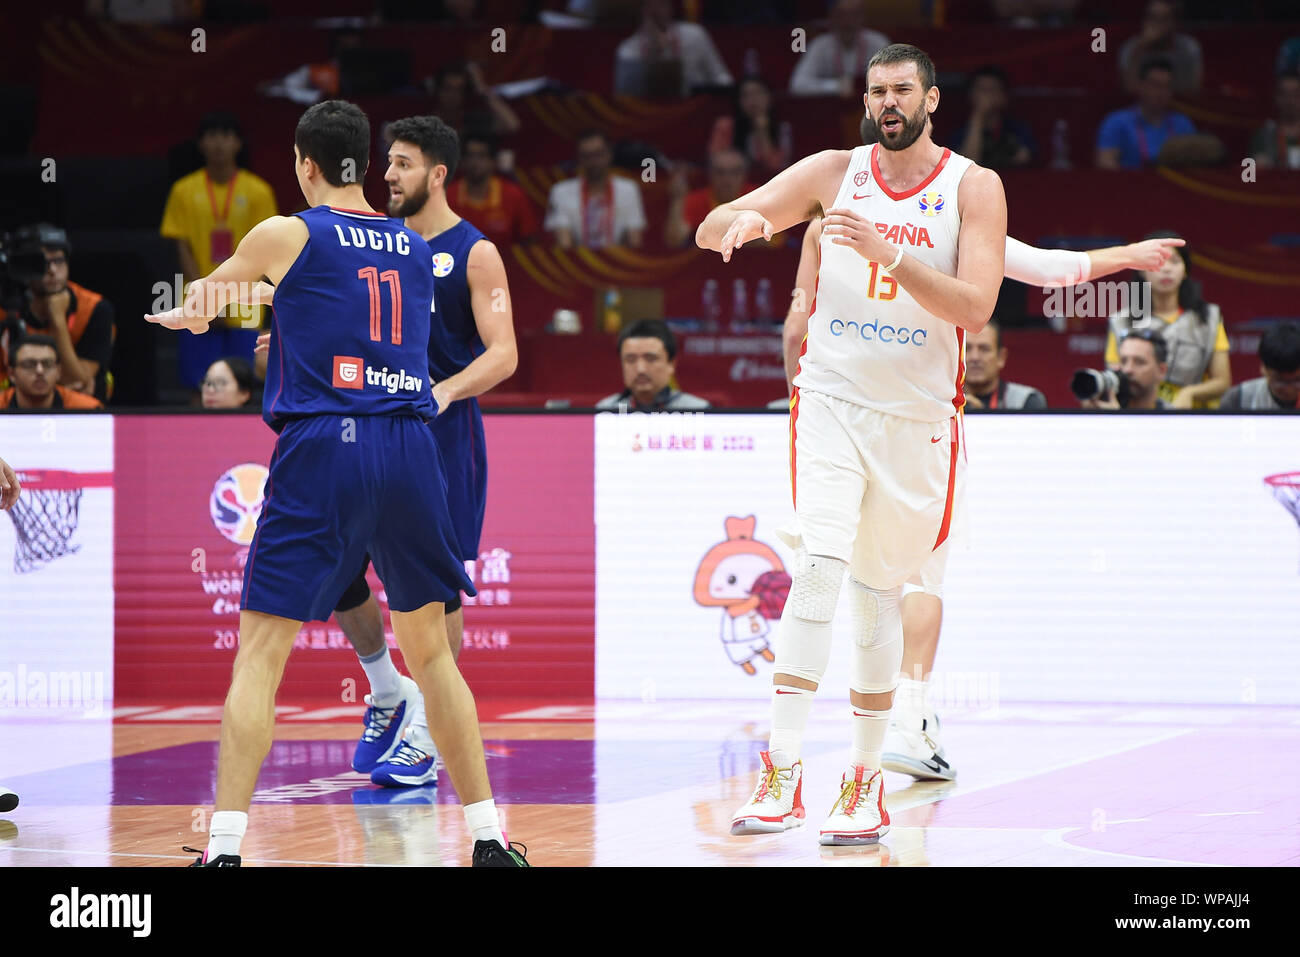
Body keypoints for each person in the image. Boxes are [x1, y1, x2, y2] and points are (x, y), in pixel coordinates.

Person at [146, 99, 527, 867]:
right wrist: (290, 319)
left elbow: (205, 304)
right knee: (435, 656)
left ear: (304, 164)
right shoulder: (416, 248)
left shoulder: (287, 232)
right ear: (363, 161)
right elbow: (367, 320)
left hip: (326, 443)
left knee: (260, 654)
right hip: (412, 445)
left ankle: (223, 850)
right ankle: (489, 837)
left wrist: (182, 315)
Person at [699, 43, 1009, 846]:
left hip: (916, 421)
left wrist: (891, 255)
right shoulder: (835, 171)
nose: (889, 103)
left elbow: (975, 308)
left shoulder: (974, 187)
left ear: (932, 99)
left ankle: (866, 779)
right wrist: (734, 221)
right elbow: (711, 223)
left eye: (903, 90)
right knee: (818, 568)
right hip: (831, 399)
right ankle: (782, 769)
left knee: (876, 593)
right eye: (877, 92)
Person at [782, 200, 1185, 781]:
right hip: (918, 427)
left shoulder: (829, 225)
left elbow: (797, 325)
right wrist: (1126, 255)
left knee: (834, 571)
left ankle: (797, 756)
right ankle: (907, 720)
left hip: (837, 416)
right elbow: (1049, 269)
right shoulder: (950, 218)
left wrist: (803, 408)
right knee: (915, 575)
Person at [160, 111, 278, 391]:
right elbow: (182, 246)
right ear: (200, 143)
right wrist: (208, 294)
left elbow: (266, 249)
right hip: (197, 297)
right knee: (198, 384)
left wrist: (227, 297)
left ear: (238, 143)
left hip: (246, 300)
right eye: (212, 136)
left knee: (243, 383)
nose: (219, 144)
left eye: (226, 135)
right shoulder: (183, 190)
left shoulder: (258, 191)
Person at [1105, 230, 1230, 409]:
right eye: (1158, 262)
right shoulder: (1121, 321)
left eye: (1175, 261)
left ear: (1185, 270)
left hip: (1194, 417)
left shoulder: (1209, 317)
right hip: (1140, 416)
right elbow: (1116, 375)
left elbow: (1222, 381)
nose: (1166, 269)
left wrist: (1189, 393)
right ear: (1141, 270)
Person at [0, 224, 115, 403]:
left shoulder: (94, 308)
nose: (53, 271)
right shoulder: (7, 307)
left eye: (59, 261)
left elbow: (77, 381)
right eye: (43, 263)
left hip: (75, 412)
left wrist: (57, 319)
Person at [544, 130, 647, 249]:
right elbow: (564, 242)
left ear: (609, 154)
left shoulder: (629, 189)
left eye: (598, 154)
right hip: (578, 260)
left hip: (618, 260)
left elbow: (634, 239)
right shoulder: (560, 191)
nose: (593, 161)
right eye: (586, 156)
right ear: (579, 158)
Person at [613, 0, 733, 98]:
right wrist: (654, 50)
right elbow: (624, 95)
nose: (659, 10)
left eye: (664, 3)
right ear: (643, 10)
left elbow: (721, 76)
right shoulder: (628, 50)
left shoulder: (695, 35)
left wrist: (726, 95)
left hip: (696, 108)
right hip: (651, 113)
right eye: (651, 6)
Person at [1096, 58, 1196, 170]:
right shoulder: (1116, 122)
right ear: (1141, 86)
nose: (1161, 92)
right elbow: (1105, 163)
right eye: (1155, 85)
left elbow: (1194, 165)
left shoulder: (1183, 124)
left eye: (1167, 86)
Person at [446, 130, 539, 248]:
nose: (475, 162)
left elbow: (529, 239)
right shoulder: (447, 195)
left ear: (493, 161)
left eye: (481, 156)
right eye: (470, 156)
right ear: (462, 161)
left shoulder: (513, 194)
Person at [596, 319, 709, 411]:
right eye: (631, 359)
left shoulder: (697, 411)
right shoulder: (606, 411)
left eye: (650, 358)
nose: (641, 369)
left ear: (671, 364)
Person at [788, 0, 890, 97]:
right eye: (841, 15)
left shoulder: (878, 43)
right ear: (831, 17)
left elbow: (897, 81)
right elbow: (798, 85)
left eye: (854, 15)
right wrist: (835, 87)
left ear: (863, 17)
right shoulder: (819, 46)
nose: (848, 22)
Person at [664, 148, 755, 248]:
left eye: (735, 172)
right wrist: (678, 198)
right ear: (710, 175)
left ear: (744, 175)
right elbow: (675, 239)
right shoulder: (696, 200)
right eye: (720, 172)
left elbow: (769, 243)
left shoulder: (756, 197)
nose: (727, 179)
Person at [708, 76, 793, 178]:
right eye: (746, 95)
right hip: (736, 184)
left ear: (770, 97)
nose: (753, 100)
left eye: (758, 93)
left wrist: (763, 132)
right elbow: (715, 162)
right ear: (738, 101)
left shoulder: (783, 129)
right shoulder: (724, 126)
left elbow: (776, 168)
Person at [954, 66, 1035, 169]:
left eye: (992, 90)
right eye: (982, 90)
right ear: (970, 95)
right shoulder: (960, 132)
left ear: (1004, 96)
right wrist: (978, 116)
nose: (987, 96)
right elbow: (968, 164)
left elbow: (1024, 158)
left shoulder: (1019, 128)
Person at [1118, 0, 1202, 97]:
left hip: (1178, 107)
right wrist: (1140, 49)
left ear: (1175, 22)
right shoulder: (1131, 48)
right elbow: (1130, 89)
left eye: (1163, 19)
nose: (1156, 24)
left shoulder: (1188, 48)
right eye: (1152, 18)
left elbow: (1192, 89)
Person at [1, 335, 104, 410]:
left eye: (47, 364)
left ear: (58, 371)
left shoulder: (88, 410)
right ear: (12, 374)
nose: (40, 371)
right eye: (29, 364)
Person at [961, 318, 1046, 409]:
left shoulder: (1026, 401)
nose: (975, 357)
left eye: (984, 349)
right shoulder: (945, 403)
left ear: (1001, 357)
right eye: (967, 349)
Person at [1219, 321, 1300, 411]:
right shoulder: (1238, 399)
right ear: (1263, 368)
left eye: (1296, 381)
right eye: (1279, 381)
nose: (1288, 390)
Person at [1085, 329, 1169, 410]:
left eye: (1139, 362)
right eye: (1123, 361)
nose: (1128, 369)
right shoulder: (1104, 407)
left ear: (1162, 371)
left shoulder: (1174, 418)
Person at [1249, 73, 1300, 171]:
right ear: (1276, 97)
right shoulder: (1264, 135)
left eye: (1296, 94)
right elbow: (1251, 174)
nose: (1290, 101)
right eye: (1284, 94)